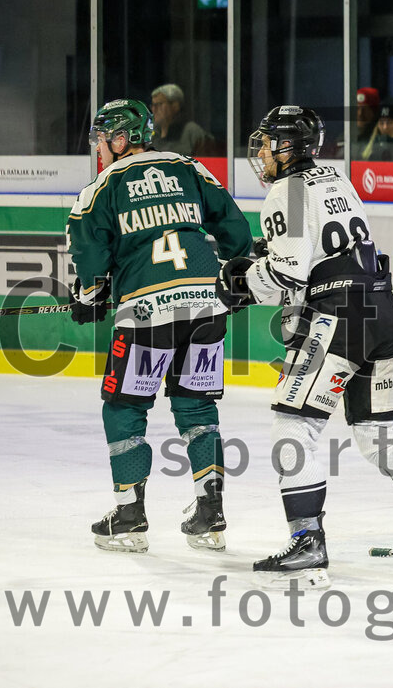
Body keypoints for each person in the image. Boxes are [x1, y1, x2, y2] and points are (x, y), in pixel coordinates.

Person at [217, 105, 393, 588]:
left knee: (294, 423)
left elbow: (287, 275)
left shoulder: (285, 191)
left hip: (338, 317)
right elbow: (320, 253)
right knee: (378, 436)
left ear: (287, 147)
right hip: (380, 310)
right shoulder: (335, 179)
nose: (260, 152)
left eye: (265, 143)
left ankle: (307, 541)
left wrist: (239, 280)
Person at [67, 98, 253, 554]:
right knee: (196, 407)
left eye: (103, 138)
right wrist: (239, 269)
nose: (99, 147)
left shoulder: (103, 185)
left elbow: (89, 249)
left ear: (123, 138)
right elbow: (232, 225)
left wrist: (88, 295)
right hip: (207, 306)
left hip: (147, 312)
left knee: (125, 406)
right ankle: (210, 513)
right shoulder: (189, 167)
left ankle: (129, 515)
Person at [150, 84, 214, 155]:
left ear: (175, 106)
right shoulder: (151, 132)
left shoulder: (191, 131)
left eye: (159, 104)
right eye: (153, 105)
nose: (154, 109)